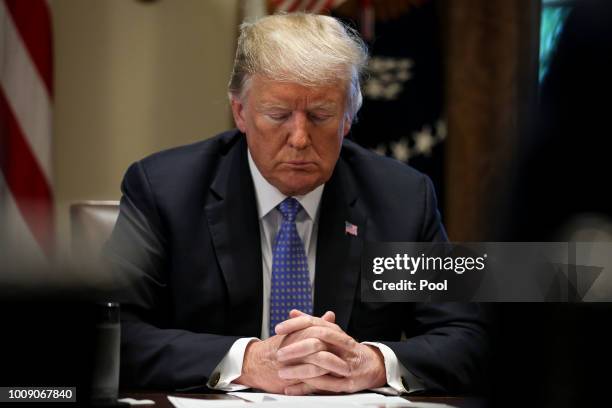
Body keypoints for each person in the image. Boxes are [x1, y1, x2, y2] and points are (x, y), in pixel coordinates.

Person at [105, 13, 486, 395]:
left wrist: (372, 362)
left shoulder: (399, 200)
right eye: (278, 115)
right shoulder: (167, 191)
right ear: (240, 111)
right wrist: (246, 361)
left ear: (349, 117)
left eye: (321, 116)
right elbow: (114, 333)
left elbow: (465, 337)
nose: (300, 138)